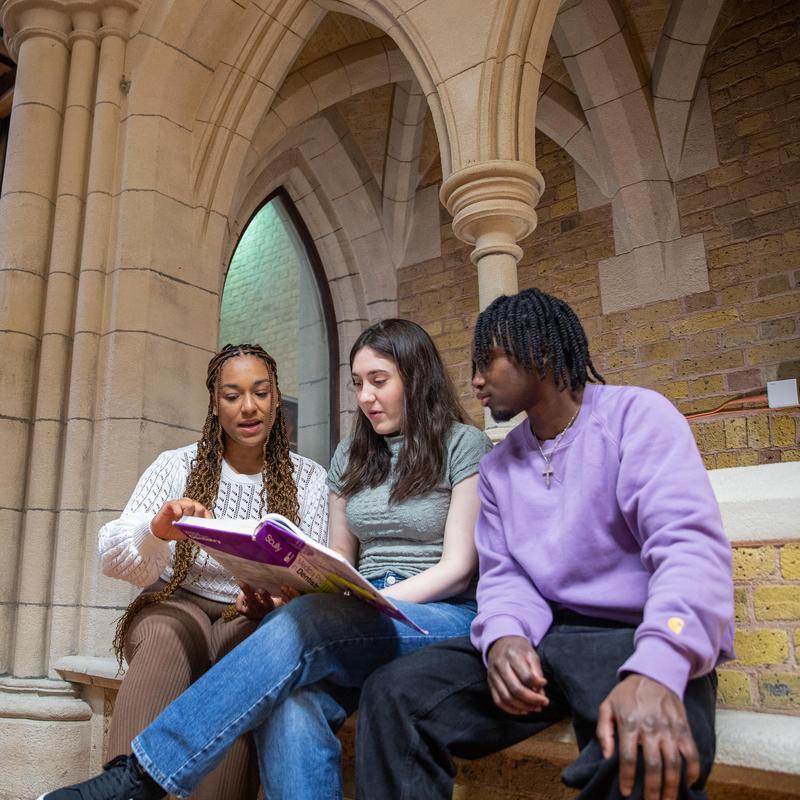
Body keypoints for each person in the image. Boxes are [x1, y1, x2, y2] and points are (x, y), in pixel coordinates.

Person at [39, 318, 492, 800]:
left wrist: (365, 601)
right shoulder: (352, 455)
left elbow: (458, 567)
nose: (365, 397)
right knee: (292, 705)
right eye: (358, 384)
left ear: (416, 377)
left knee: (306, 620)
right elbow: (340, 553)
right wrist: (314, 581)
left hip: (441, 611)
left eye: (379, 382)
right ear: (215, 403)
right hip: (361, 605)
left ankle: (140, 776)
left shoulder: (464, 445)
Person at [355, 288, 734, 800]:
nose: (475, 380)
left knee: (648, 750)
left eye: (487, 360)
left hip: (638, 635)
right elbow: (507, 577)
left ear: (542, 354)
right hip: (546, 640)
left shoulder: (638, 417)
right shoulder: (496, 468)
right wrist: (506, 637)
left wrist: (660, 666)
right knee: (393, 694)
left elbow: (689, 550)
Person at [95, 343, 329, 800]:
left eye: (260, 392)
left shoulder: (310, 479)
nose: (248, 407)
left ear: (276, 397)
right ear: (214, 403)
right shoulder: (176, 465)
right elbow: (111, 555)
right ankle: (118, 790)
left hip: (251, 618)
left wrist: (277, 601)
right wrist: (157, 529)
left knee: (249, 655)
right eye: (232, 395)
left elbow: (314, 578)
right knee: (166, 634)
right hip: (175, 605)